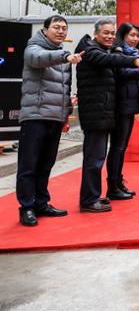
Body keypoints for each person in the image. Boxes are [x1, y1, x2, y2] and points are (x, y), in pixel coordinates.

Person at [75, 19, 139, 213]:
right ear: (96, 33)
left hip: (103, 110)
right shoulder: (89, 50)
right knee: (94, 158)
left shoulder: (102, 50)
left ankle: (93, 196)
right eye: (106, 33)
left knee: (98, 157)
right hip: (96, 112)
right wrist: (134, 61)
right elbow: (111, 61)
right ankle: (89, 200)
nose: (110, 36)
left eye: (112, 33)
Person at [17, 15, 83, 227]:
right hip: (35, 116)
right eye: (56, 27)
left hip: (55, 117)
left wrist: (66, 113)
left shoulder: (63, 56)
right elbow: (39, 59)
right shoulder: (33, 48)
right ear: (45, 30)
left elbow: (65, 88)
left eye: (64, 28)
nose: (61, 31)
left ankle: (41, 203)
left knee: (46, 163)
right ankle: (27, 207)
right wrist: (65, 57)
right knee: (29, 165)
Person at [109, 22, 139, 200]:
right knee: (118, 146)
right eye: (132, 35)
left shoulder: (133, 53)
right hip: (121, 103)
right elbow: (123, 73)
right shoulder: (118, 52)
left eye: (137, 36)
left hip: (130, 102)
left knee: (122, 146)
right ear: (122, 35)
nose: (135, 39)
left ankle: (118, 182)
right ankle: (113, 186)